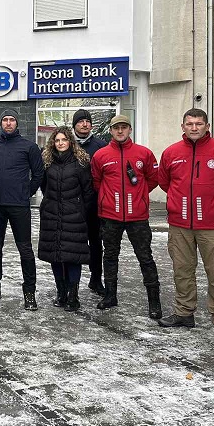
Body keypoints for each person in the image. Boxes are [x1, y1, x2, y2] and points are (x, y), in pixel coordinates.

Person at [157, 109, 214, 342]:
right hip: (180, 224)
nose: (194, 127)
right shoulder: (171, 153)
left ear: (207, 126)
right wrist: (180, 201)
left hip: (213, 224)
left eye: (199, 123)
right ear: (183, 126)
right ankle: (184, 313)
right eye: (190, 123)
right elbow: (165, 182)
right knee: (182, 270)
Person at [91, 115, 162, 319]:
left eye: (124, 127)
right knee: (110, 256)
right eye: (116, 128)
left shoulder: (144, 154)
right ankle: (110, 295)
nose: (120, 131)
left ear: (130, 129)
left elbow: (152, 179)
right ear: (111, 131)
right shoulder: (101, 155)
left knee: (145, 257)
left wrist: (138, 197)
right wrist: (108, 198)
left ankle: (154, 301)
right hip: (110, 215)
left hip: (137, 216)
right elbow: (96, 182)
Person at [0, 109, 44, 310]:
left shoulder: (29, 147)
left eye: (12, 120)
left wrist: (26, 192)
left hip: (19, 205)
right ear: (1, 123)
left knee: (25, 249)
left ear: (17, 123)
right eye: (5, 120)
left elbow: (38, 174)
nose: (8, 123)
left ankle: (29, 291)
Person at [38, 127, 94, 311]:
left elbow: (87, 191)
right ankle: (61, 292)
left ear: (70, 141)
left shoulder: (81, 163)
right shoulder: (48, 163)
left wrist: (81, 211)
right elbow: (44, 187)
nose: (60, 143)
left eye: (64, 140)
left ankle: (73, 295)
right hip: (52, 215)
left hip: (74, 217)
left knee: (72, 257)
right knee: (55, 256)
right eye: (57, 140)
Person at [72, 108, 108, 295]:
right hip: (73, 204)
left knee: (95, 243)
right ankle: (72, 284)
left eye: (87, 121)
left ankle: (96, 279)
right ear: (74, 125)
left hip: (94, 204)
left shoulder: (101, 146)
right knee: (73, 244)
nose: (84, 124)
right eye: (80, 121)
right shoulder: (67, 145)